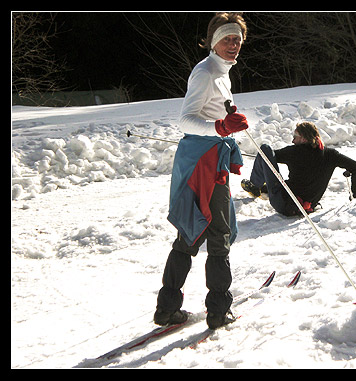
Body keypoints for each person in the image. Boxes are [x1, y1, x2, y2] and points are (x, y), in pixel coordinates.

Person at [155, 13, 249, 330]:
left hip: (209, 157)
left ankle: (167, 309)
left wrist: (227, 121)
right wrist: (221, 126)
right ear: (213, 41)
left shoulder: (221, 73)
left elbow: (213, 115)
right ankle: (219, 311)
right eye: (227, 38)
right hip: (202, 162)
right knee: (217, 234)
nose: (233, 44)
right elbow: (185, 120)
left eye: (237, 39)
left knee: (191, 231)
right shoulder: (206, 72)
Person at [241, 121, 356, 216]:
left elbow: (268, 156)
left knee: (264, 149)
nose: (293, 140)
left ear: (304, 138)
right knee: (294, 183)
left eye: (295, 136)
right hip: (309, 205)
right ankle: (264, 189)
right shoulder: (331, 155)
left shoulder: (294, 151)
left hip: (285, 205)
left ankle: (254, 187)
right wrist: (354, 193)